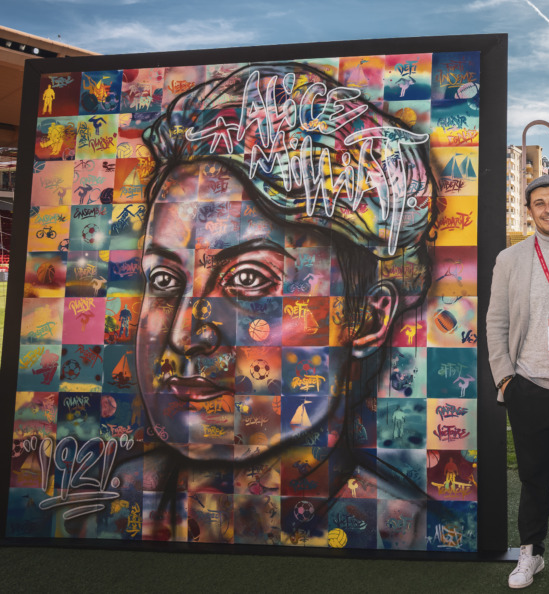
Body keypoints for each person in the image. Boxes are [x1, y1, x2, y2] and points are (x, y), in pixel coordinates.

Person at [136, 62, 433, 541]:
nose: (184, 335)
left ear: (367, 318)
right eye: (166, 279)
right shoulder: (105, 498)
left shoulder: (407, 529)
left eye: (249, 277)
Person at [487, 173, 549, 587]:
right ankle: (531, 552)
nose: (548, 209)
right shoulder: (510, 259)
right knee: (534, 477)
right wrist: (505, 379)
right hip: (528, 384)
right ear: (529, 212)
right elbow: (496, 322)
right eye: (539, 203)